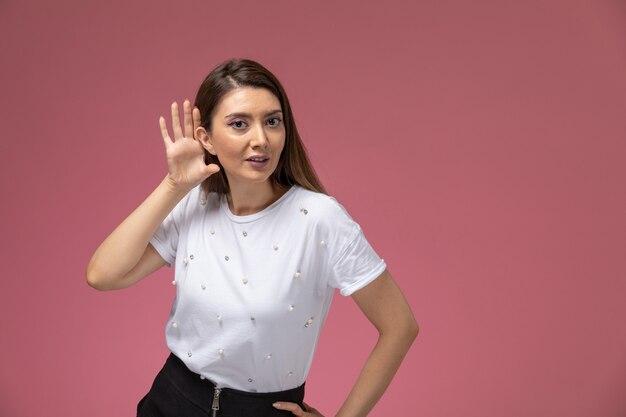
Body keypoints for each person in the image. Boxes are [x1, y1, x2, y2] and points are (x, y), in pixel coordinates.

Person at [86, 58, 418, 417]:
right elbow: (103, 275)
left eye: (272, 121)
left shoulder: (320, 219)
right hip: (172, 401)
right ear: (206, 138)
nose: (260, 139)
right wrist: (174, 186)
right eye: (239, 124)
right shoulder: (194, 206)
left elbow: (400, 327)